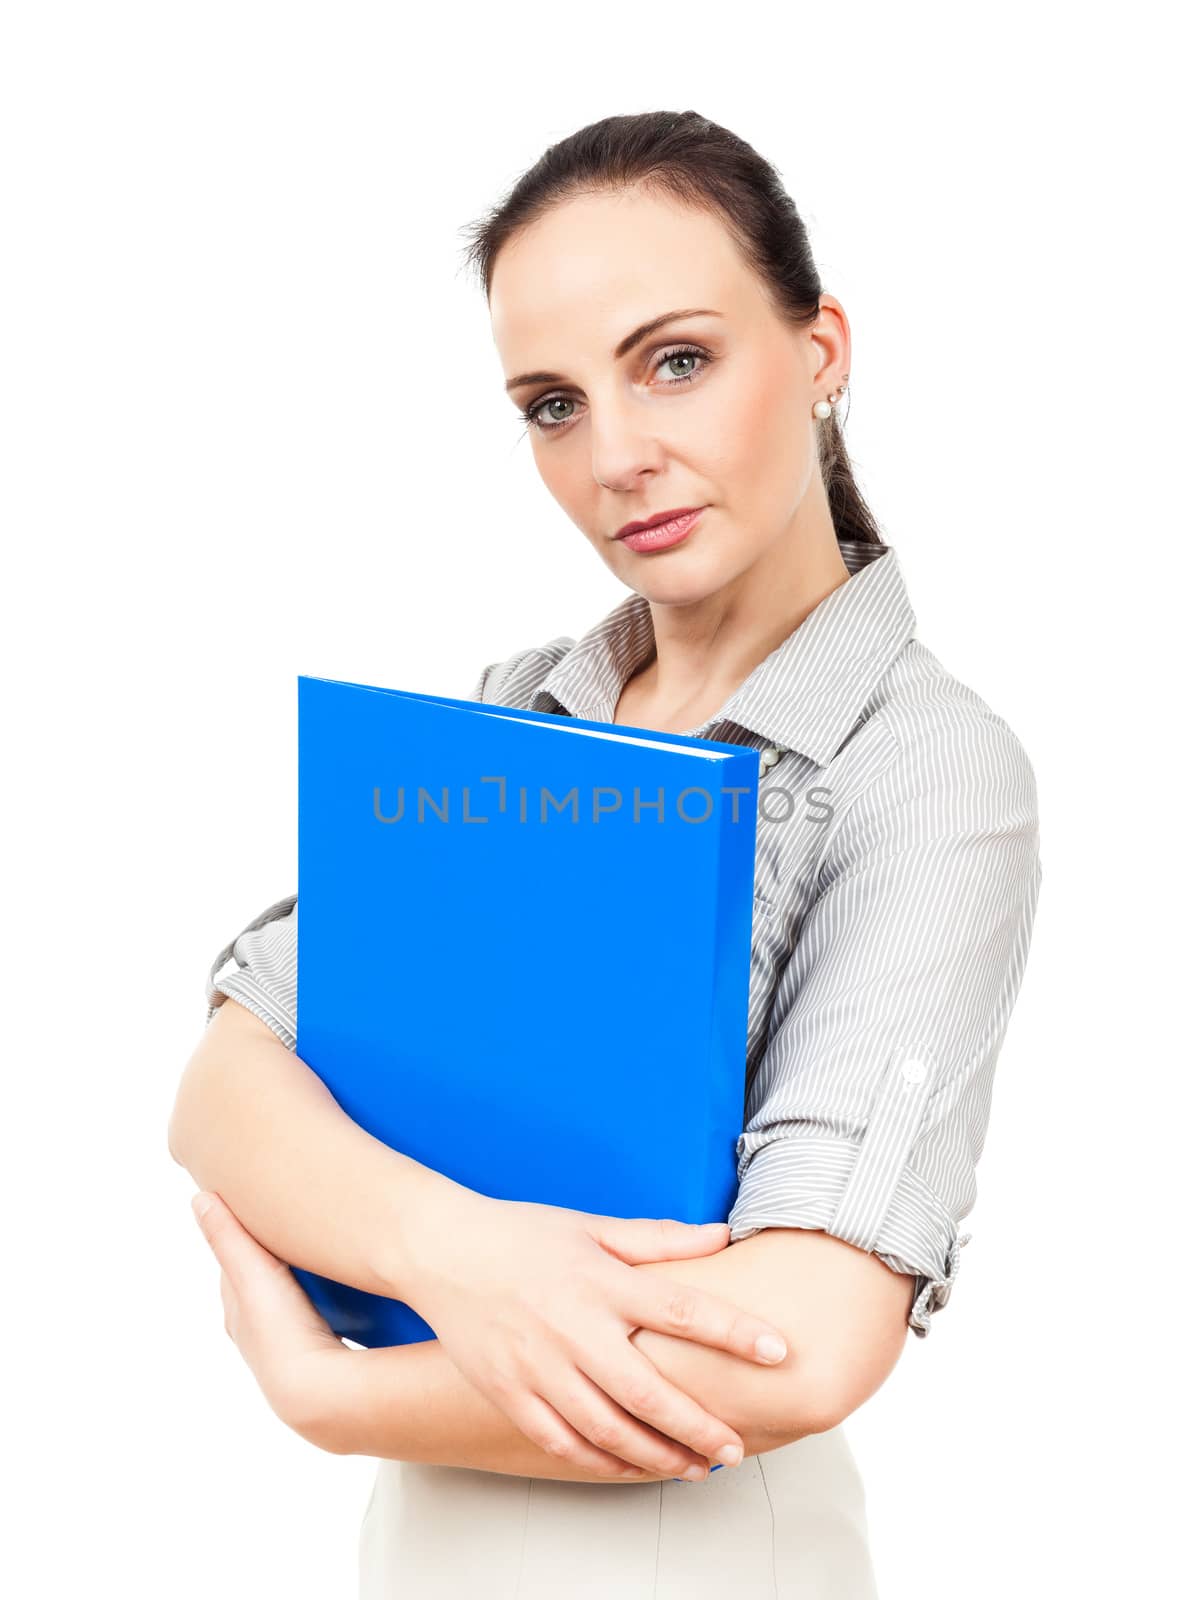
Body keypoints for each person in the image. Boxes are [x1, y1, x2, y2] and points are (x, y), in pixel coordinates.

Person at [171, 109, 1043, 1597]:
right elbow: (227, 1087)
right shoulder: (518, 714)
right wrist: (464, 1259)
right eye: (553, 403)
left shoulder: (932, 772)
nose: (618, 455)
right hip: (424, 1547)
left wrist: (335, 1396)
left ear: (821, 349)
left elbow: (801, 1340)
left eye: (677, 362)